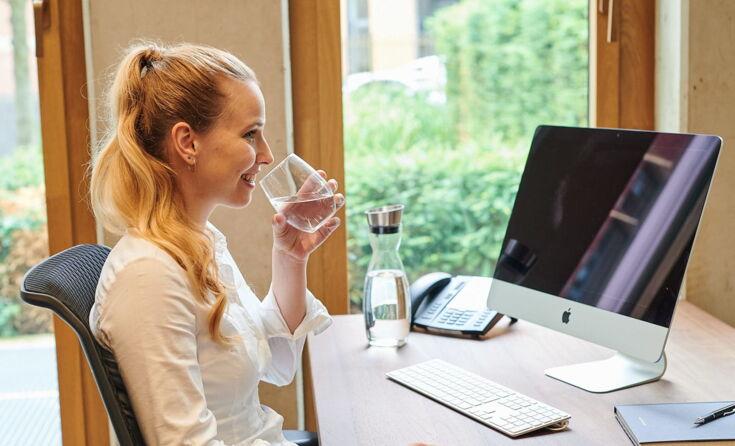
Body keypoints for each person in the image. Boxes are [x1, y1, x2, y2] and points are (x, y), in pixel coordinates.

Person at [88, 41, 344, 445]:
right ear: (187, 142)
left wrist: (291, 258)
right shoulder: (149, 276)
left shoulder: (199, 242)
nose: (267, 154)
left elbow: (274, 363)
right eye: (251, 134)